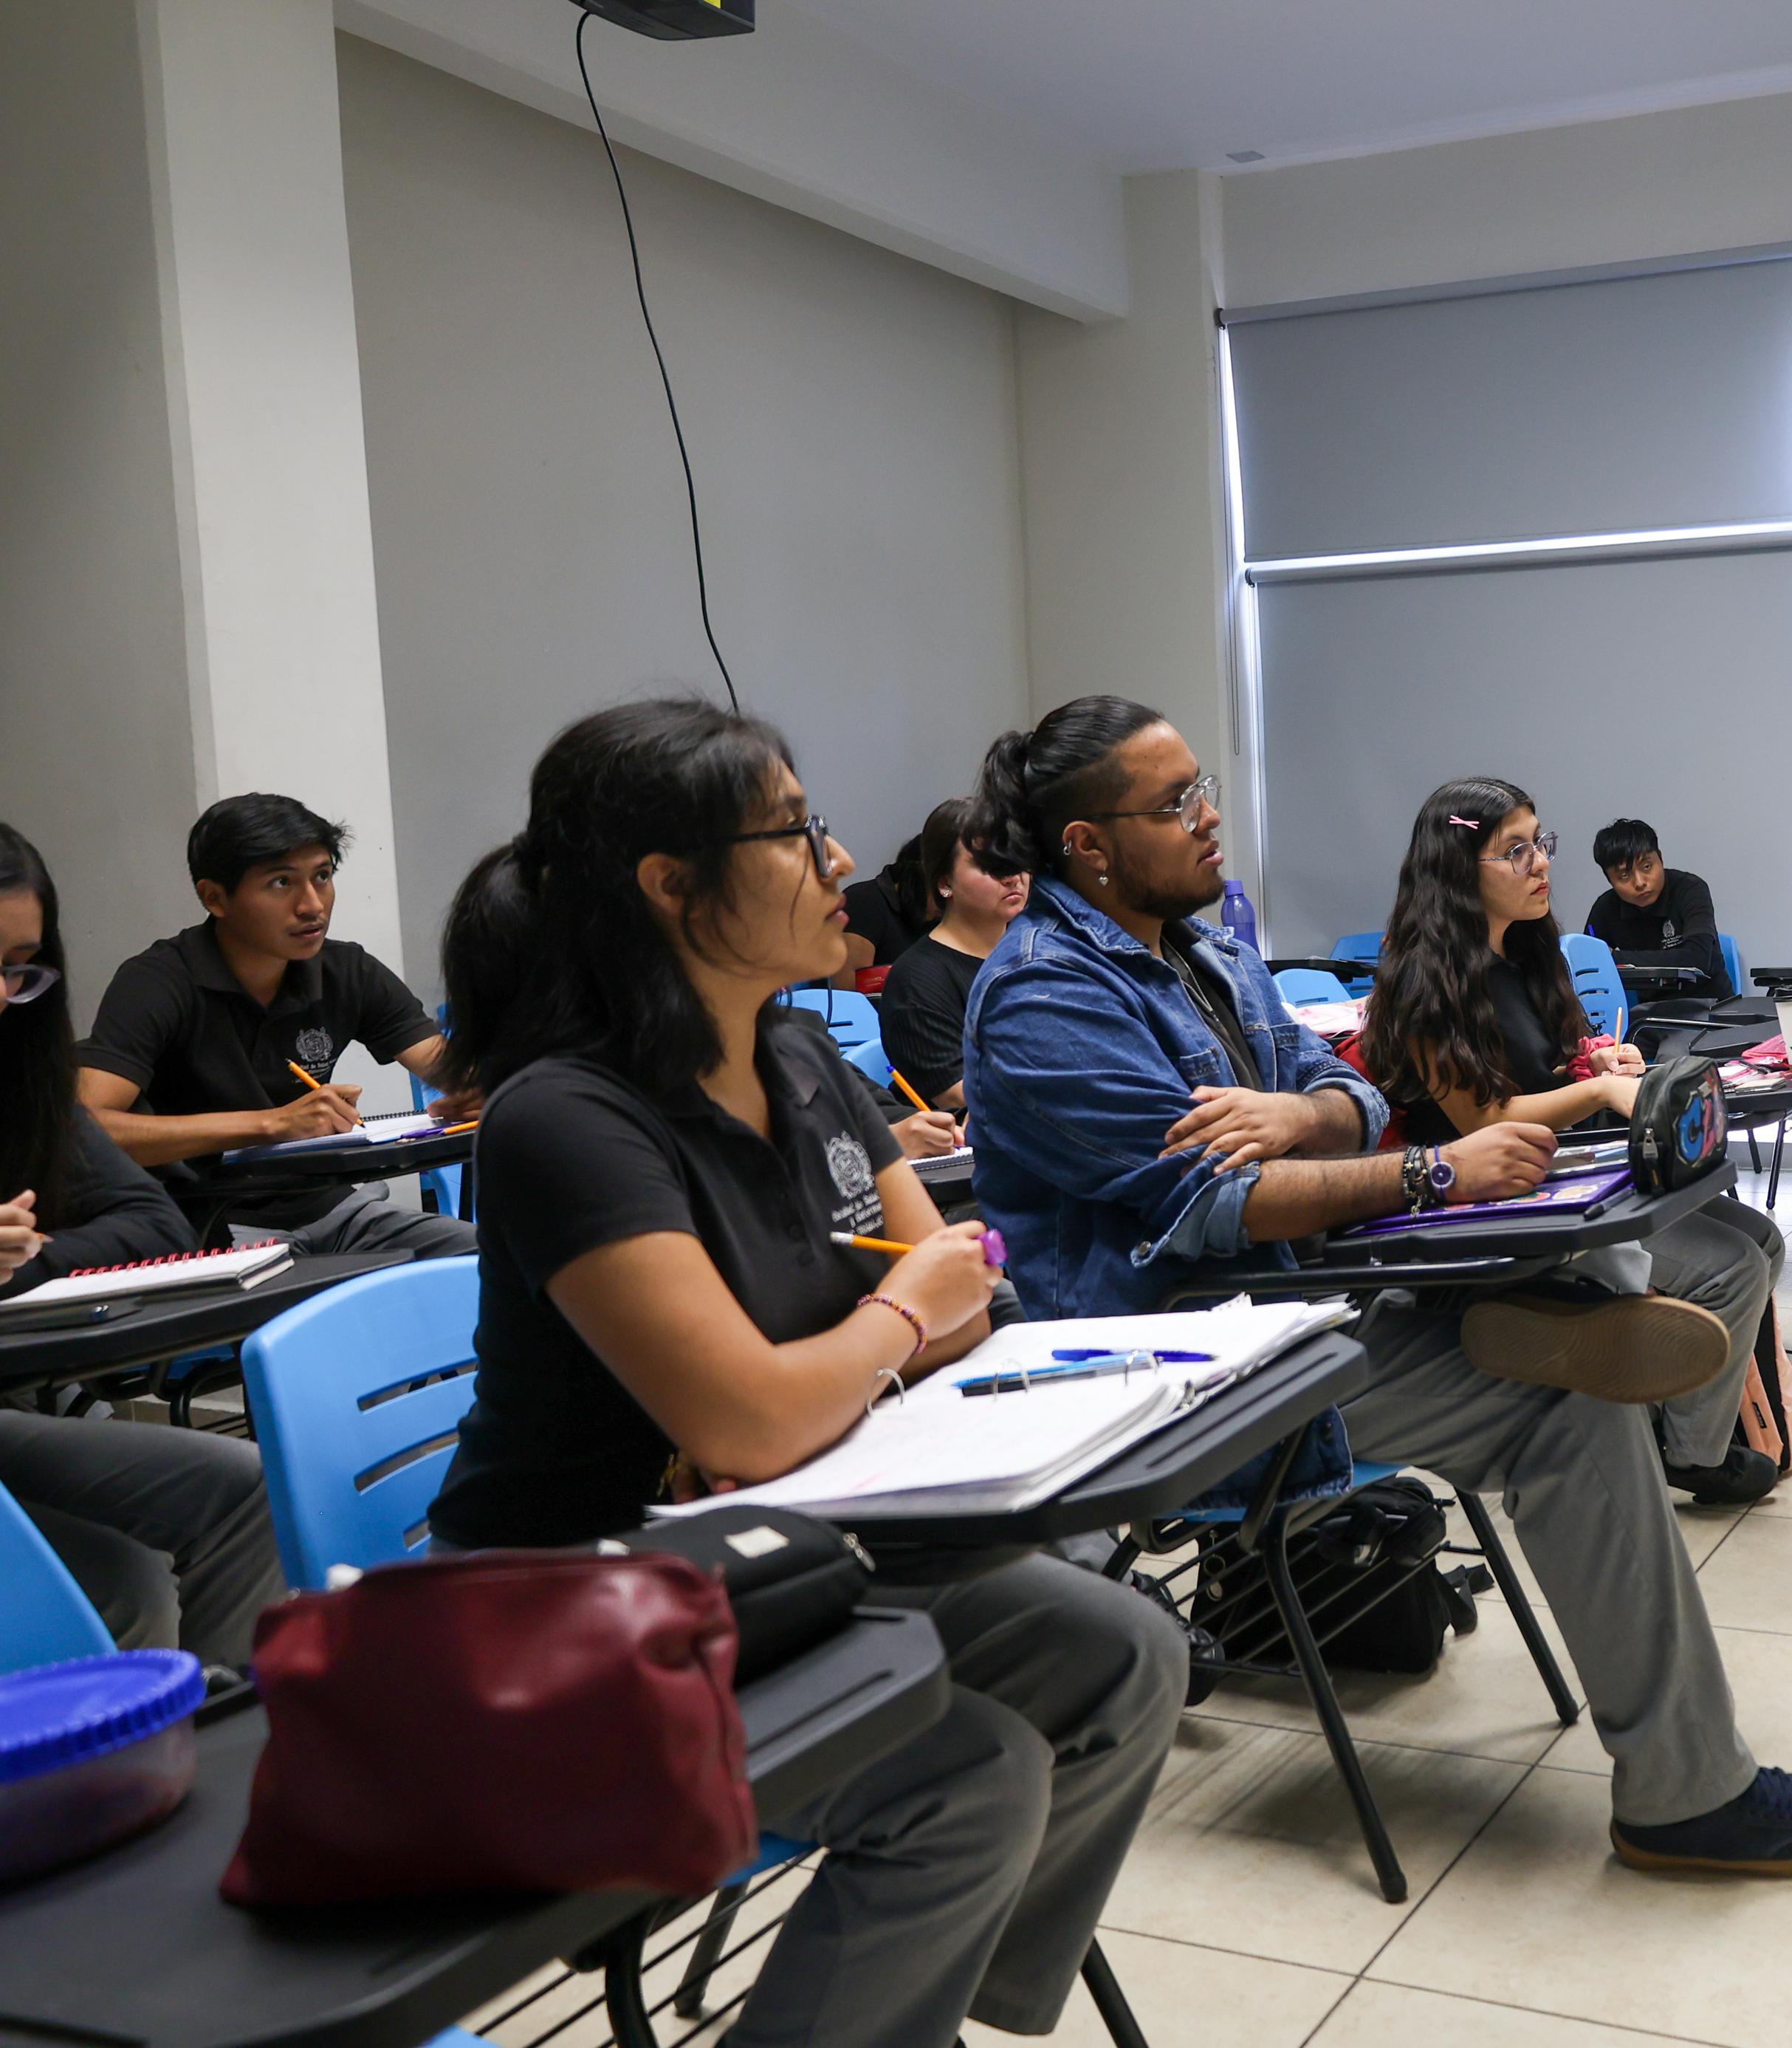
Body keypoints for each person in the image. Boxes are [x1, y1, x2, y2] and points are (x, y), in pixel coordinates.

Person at [959, 694, 1792, 1877]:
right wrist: (1431, 1170)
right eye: (1175, 801)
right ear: (1086, 843)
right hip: (1183, 1370)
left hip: (1303, 1310)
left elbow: (1353, 1097)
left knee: (1577, 1394)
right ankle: (1688, 1784)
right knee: (1566, 1397)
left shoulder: (1204, 951)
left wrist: (1302, 1112)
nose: (1209, 816)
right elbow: (1213, 1203)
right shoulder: (1047, 994)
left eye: (1204, 789)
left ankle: (1682, 1777)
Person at [422, 699, 1180, 2046]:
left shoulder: (803, 1050)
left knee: (1124, 1652)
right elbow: (759, 1407)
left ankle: (918, 2007)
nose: (838, 859)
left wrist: (889, 1323)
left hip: (794, 1547)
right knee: (972, 1778)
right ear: (670, 884)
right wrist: (890, 1320)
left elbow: (971, 1289)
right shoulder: (565, 1117)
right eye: (793, 830)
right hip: (582, 1617)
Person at [1361, 780, 1788, 1503]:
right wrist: (1595, 1091)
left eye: (1540, 843)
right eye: (1515, 851)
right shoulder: (1421, 977)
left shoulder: (1530, 952)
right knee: (1731, 1269)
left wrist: (1595, 1060)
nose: (1540, 865)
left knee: (1761, 1241)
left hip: (1560, 1167)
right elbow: (1482, 1120)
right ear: (1460, 870)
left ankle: (1665, 1412)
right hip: (1483, 1195)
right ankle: (1689, 1451)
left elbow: (1549, 1061)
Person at [0, 823, 285, 1665]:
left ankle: (211, 1764)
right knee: (117, 1577)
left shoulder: (18, 1077)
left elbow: (151, 1220)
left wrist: (26, 1262)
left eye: (18, 965)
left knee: (243, 1491)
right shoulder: (165, 980)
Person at [76, 794, 478, 1256]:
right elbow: (88, 1130)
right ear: (214, 897)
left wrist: (491, 1087)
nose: (312, 906)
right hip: (214, 1221)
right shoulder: (157, 982)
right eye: (281, 882)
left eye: (323, 877)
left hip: (334, 1209)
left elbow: (448, 1067)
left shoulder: (346, 970)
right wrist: (270, 1124)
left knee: (494, 1259)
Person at [876, 798, 1029, 1112]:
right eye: (990, 865)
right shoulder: (917, 979)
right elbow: (958, 1094)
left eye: (1017, 858)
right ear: (946, 883)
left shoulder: (1040, 953)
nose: (1012, 875)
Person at [1585, 818, 1729, 997]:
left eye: (1647, 867)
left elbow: (1697, 959)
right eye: (1624, 875)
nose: (1639, 883)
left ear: (1660, 858)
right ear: (1609, 880)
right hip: (1651, 1017)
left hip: (1714, 1009)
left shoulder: (1691, 889)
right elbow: (1587, 964)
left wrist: (1614, 958)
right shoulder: (1605, 908)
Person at [837, 802, 952, 982]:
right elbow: (850, 992)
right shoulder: (865, 902)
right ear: (921, 877)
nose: (949, 897)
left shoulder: (946, 919)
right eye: (945, 884)